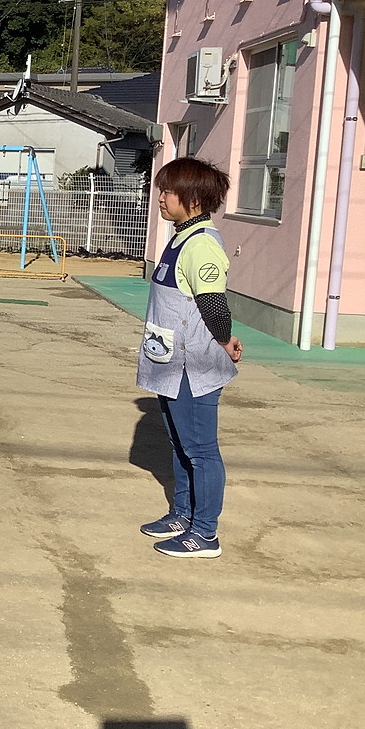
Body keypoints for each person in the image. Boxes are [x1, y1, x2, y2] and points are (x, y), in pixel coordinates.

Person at [137, 157, 242, 559]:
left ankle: (204, 534)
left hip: (191, 367)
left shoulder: (201, 246)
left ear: (194, 199)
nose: (160, 198)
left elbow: (215, 307)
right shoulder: (181, 236)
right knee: (180, 444)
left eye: (168, 191)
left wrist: (225, 339)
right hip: (168, 362)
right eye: (161, 189)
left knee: (200, 450)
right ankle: (182, 514)